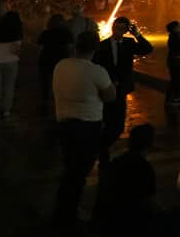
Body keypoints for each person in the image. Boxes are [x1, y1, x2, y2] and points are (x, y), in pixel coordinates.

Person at [52, 31, 116, 233]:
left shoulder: (61, 65)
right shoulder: (97, 71)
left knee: (70, 167)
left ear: (75, 46)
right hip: (88, 126)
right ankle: (68, 214)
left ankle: (64, 209)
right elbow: (110, 97)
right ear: (95, 48)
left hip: (63, 124)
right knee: (78, 173)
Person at [94, 16, 154, 163]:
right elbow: (97, 65)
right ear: (113, 28)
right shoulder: (103, 45)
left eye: (122, 29)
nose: (118, 31)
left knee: (119, 125)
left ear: (126, 30)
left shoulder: (129, 42)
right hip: (107, 88)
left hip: (122, 88)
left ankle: (102, 147)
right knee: (108, 121)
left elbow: (147, 49)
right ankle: (103, 153)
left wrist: (137, 34)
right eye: (116, 27)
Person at [93, 123, 158, 233]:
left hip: (104, 221)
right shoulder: (144, 168)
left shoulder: (116, 162)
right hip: (125, 223)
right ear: (150, 144)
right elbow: (149, 201)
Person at [0, 10, 23, 119]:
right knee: (9, 87)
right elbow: (16, 51)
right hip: (11, 62)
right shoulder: (17, 32)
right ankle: (6, 110)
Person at [38, 14, 74, 109]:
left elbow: (40, 48)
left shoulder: (46, 33)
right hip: (61, 61)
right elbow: (70, 48)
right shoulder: (67, 33)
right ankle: (59, 106)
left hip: (46, 61)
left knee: (46, 84)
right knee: (61, 84)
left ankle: (45, 105)